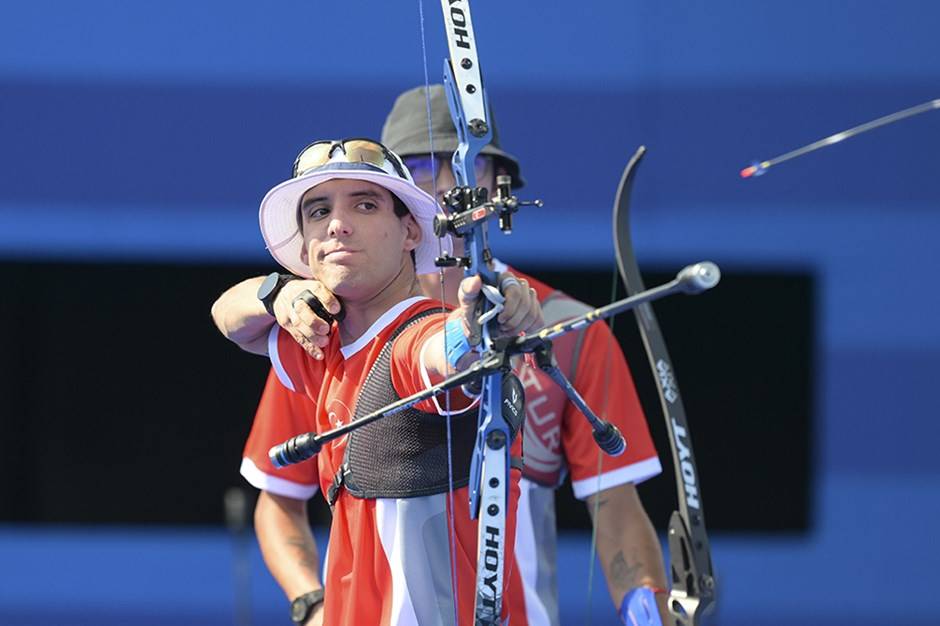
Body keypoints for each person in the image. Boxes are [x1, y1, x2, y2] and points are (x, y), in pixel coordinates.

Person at [220, 85, 670, 624]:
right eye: (416, 168)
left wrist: (647, 602)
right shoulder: (326, 330)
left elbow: (615, 503)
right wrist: (313, 601)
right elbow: (280, 496)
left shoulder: (568, 330)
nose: (441, 185)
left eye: (458, 165)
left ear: (494, 184)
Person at [211, 137, 543, 625]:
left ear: (411, 231)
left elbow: (442, 353)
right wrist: (277, 293)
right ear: (305, 244)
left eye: (364, 205)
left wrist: (479, 321)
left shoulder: (415, 335)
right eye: (318, 211)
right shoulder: (321, 340)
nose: (338, 224)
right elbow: (226, 316)